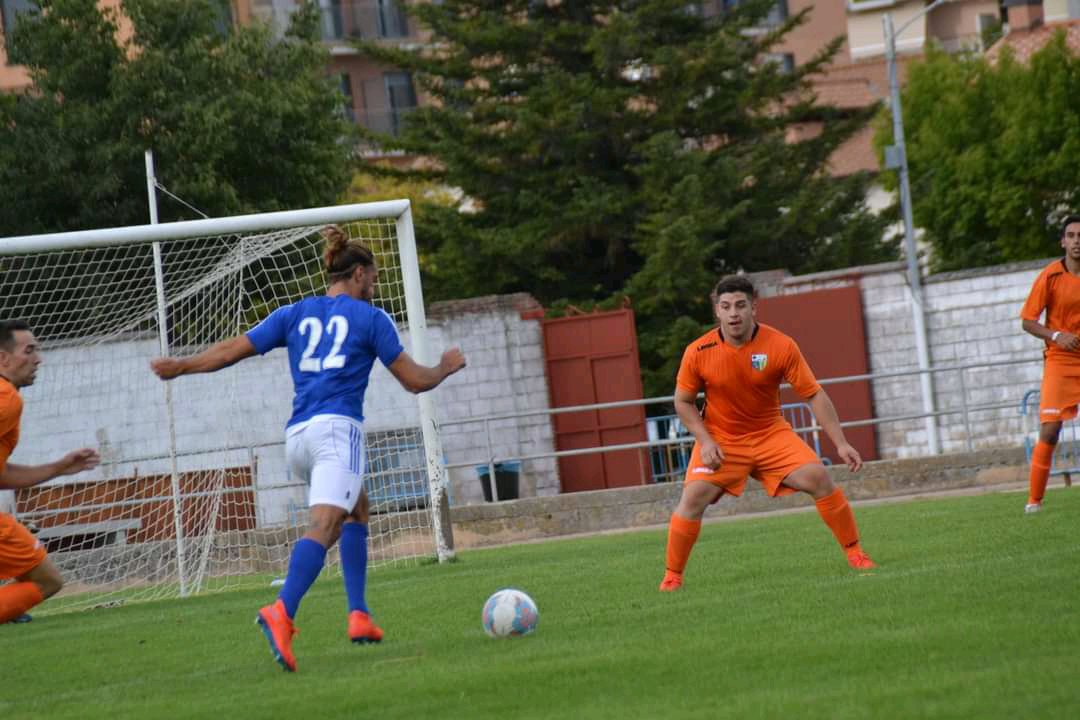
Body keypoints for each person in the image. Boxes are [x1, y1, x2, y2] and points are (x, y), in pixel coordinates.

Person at [151, 226, 466, 672]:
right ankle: (281, 611)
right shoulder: (371, 319)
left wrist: (181, 366)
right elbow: (415, 381)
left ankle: (359, 615)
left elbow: (231, 350)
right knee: (325, 524)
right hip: (338, 432)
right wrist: (445, 368)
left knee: (356, 507)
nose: (374, 288)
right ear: (358, 274)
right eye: (373, 279)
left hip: (298, 438)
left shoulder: (293, 312)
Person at [659, 275, 876, 592]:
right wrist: (705, 441)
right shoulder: (698, 351)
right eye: (726, 306)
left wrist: (840, 443)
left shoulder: (781, 345)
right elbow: (683, 402)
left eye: (740, 305)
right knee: (691, 498)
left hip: (770, 433)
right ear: (716, 310)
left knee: (818, 477)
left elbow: (813, 394)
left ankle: (855, 553)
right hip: (722, 439)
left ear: (753, 308)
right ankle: (672, 577)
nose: (733, 313)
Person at [0, 320, 101, 622]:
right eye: (29, 351)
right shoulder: (7, 398)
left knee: (42, 579)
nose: (38, 359)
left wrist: (58, 468)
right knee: (46, 581)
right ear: (3, 358)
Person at [1019, 215, 1080, 514]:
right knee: (1050, 429)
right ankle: (1034, 501)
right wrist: (1056, 335)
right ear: (1063, 242)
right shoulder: (1050, 275)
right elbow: (1027, 321)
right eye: (1071, 235)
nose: (1077, 241)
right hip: (1060, 359)